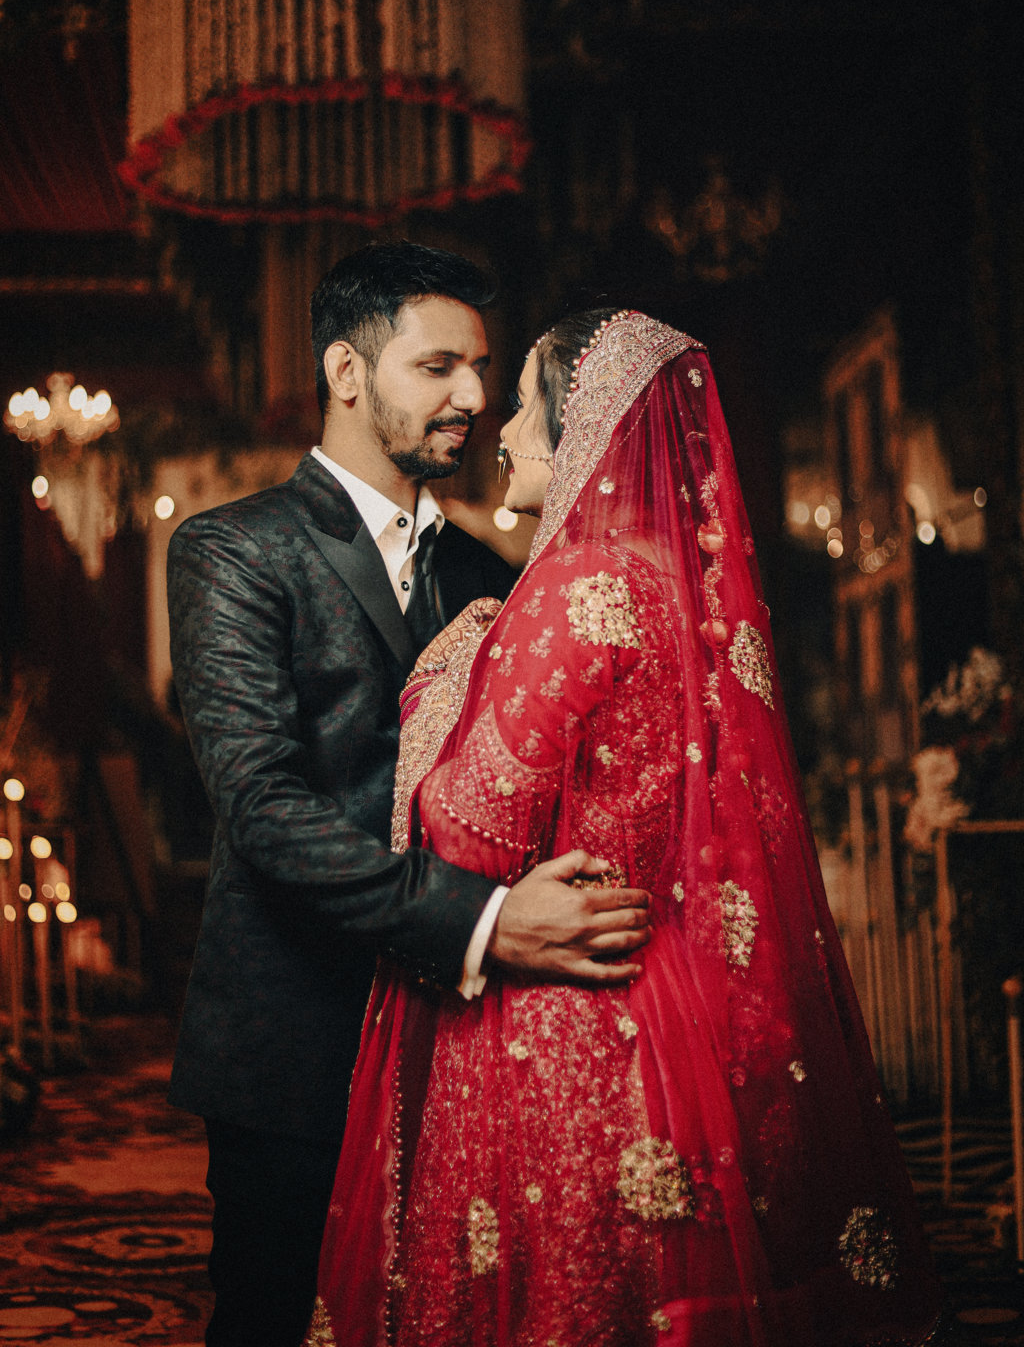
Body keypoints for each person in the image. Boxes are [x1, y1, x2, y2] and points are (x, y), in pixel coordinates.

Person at [311, 307, 944, 1347]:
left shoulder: (572, 586)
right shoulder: (670, 586)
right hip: (665, 996)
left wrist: (440, 679)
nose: (503, 429)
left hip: (556, 1013)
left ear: (585, 428)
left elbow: (473, 830)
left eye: (523, 405)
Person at [166, 246, 651, 1347]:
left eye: (481, 369)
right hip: (298, 1039)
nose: (473, 398)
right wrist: (487, 920)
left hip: (467, 1039)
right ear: (347, 370)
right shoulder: (233, 551)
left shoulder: (492, 573)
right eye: (437, 366)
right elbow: (262, 810)